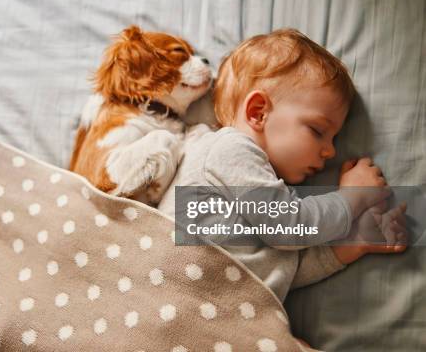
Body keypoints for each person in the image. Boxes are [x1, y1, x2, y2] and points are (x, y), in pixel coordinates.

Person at [158, 28, 407, 304]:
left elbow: (275, 273)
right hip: (180, 298)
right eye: (317, 130)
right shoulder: (228, 149)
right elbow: (289, 227)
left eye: (334, 138)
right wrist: (350, 199)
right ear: (258, 113)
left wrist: (352, 243)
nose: (331, 151)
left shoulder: (257, 193)